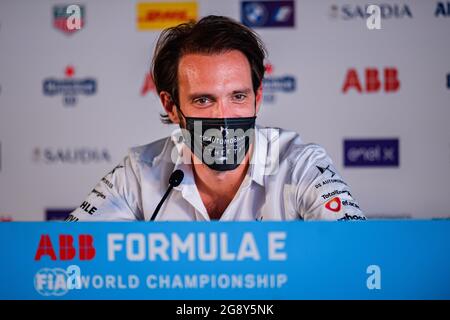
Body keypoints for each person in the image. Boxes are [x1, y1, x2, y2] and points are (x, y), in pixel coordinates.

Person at [66, 15, 365, 222]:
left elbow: (355, 253)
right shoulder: (139, 173)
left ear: (257, 99)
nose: (223, 117)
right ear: (171, 107)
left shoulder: (300, 166)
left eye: (238, 97)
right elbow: (68, 255)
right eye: (204, 100)